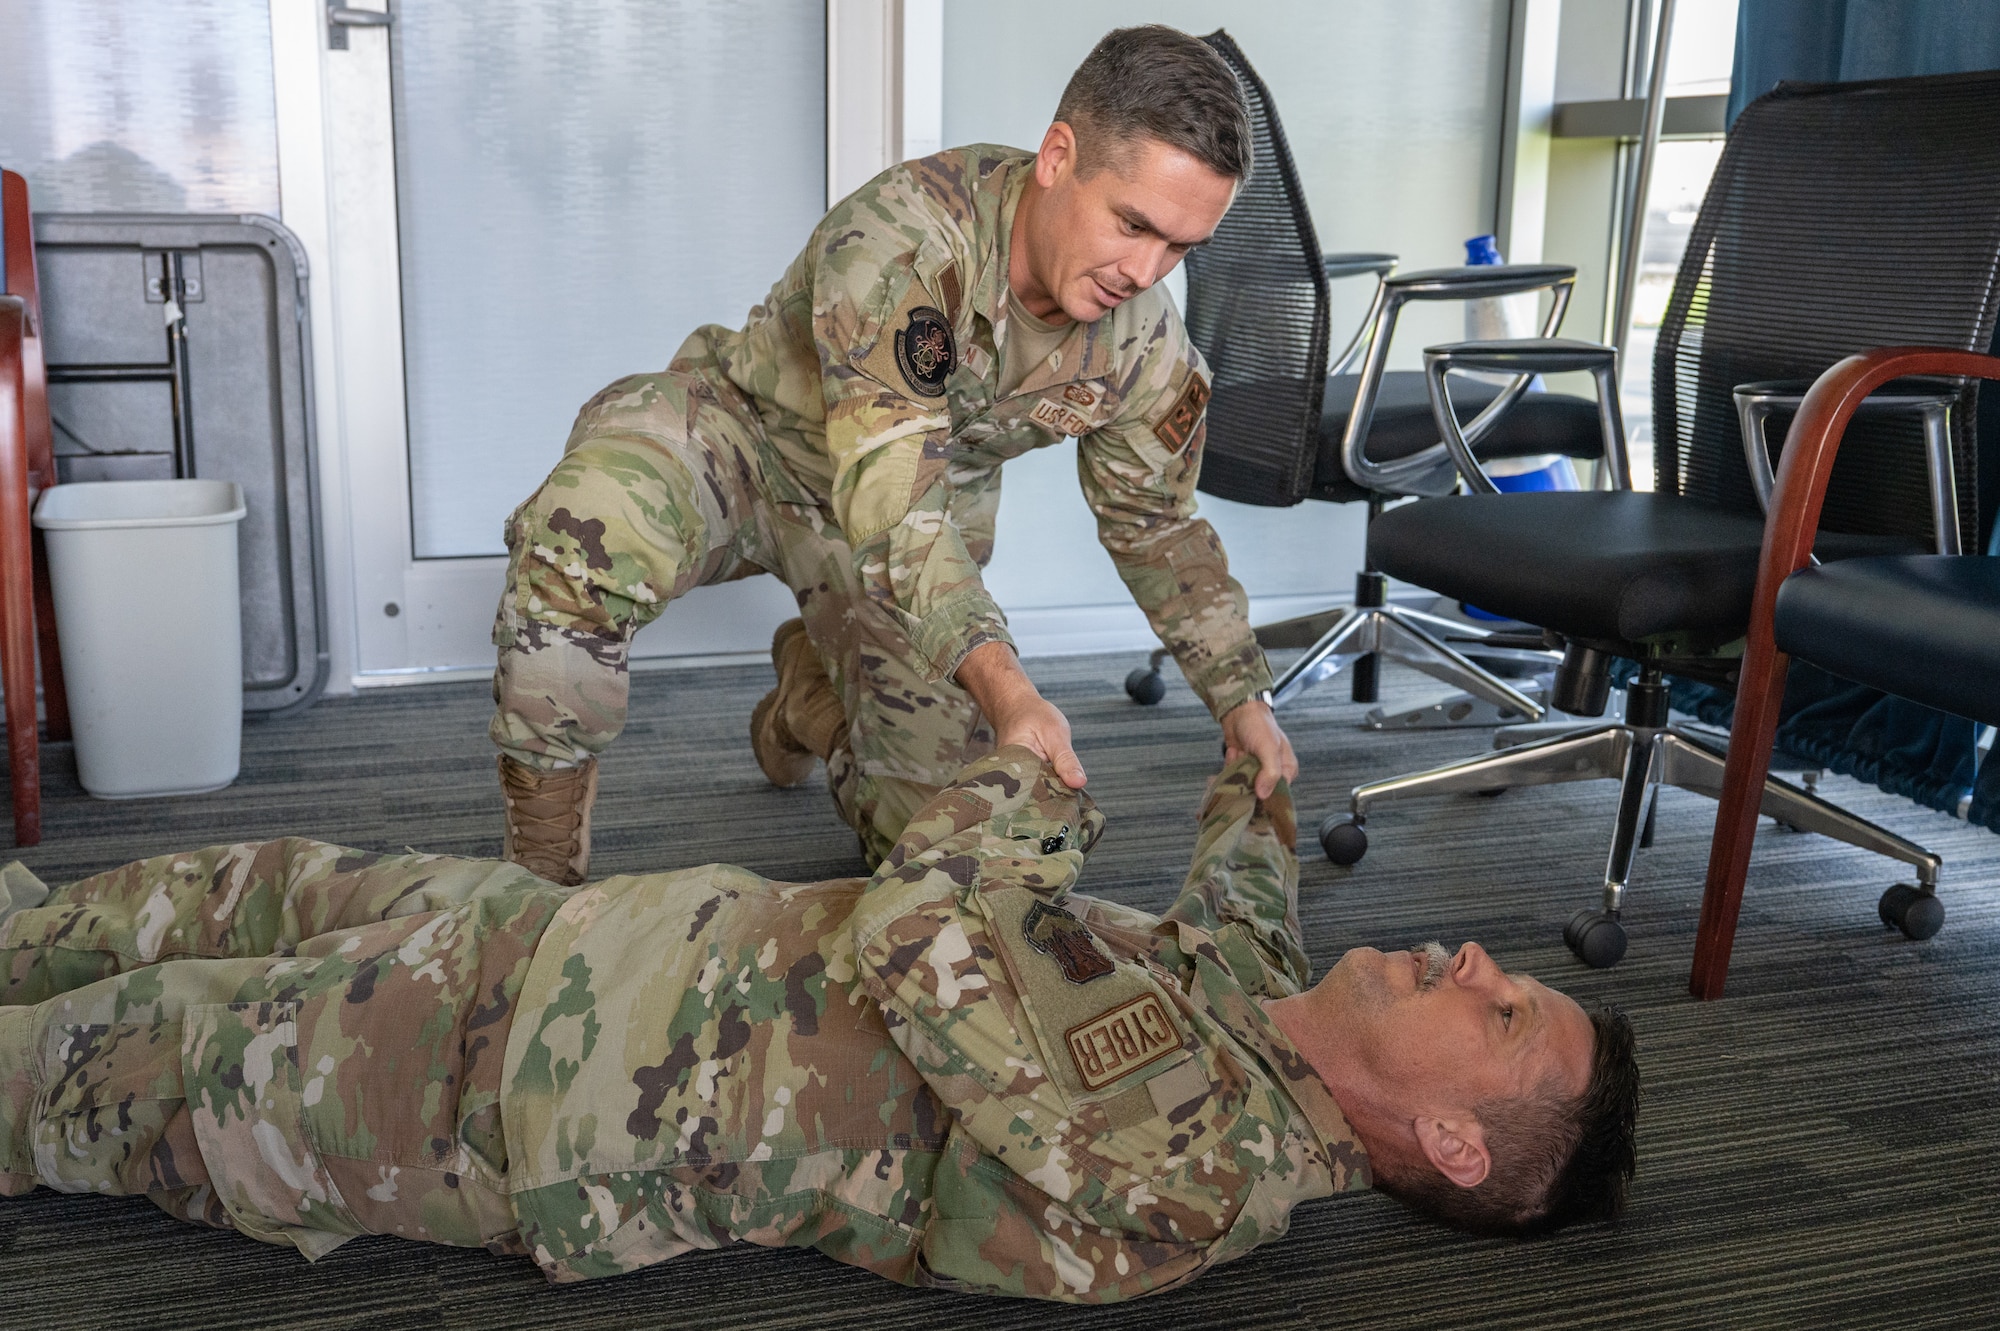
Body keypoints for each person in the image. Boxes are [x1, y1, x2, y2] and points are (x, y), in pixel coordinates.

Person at [0, 750, 1638, 1301]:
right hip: (563, 938)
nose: (1481, 957)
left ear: (1448, 1141)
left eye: (1506, 1018)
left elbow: (922, 921)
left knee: (90, 1060)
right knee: (190, 895)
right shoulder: (1258, 1015)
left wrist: (1022, 775)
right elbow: (1250, 892)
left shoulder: (1193, 1154)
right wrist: (1252, 750)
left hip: (486, 1087)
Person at [491, 24, 1299, 884]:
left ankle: (814, 702)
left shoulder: (1144, 344)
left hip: (903, 548)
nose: (1146, 270)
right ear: (1059, 156)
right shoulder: (906, 240)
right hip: (748, 445)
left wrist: (1241, 697)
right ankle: (537, 892)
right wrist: (1011, 689)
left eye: (1180, 247)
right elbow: (895, 502)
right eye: (1133, 224)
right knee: (581, 531)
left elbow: (1156, 525)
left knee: (939, 858)